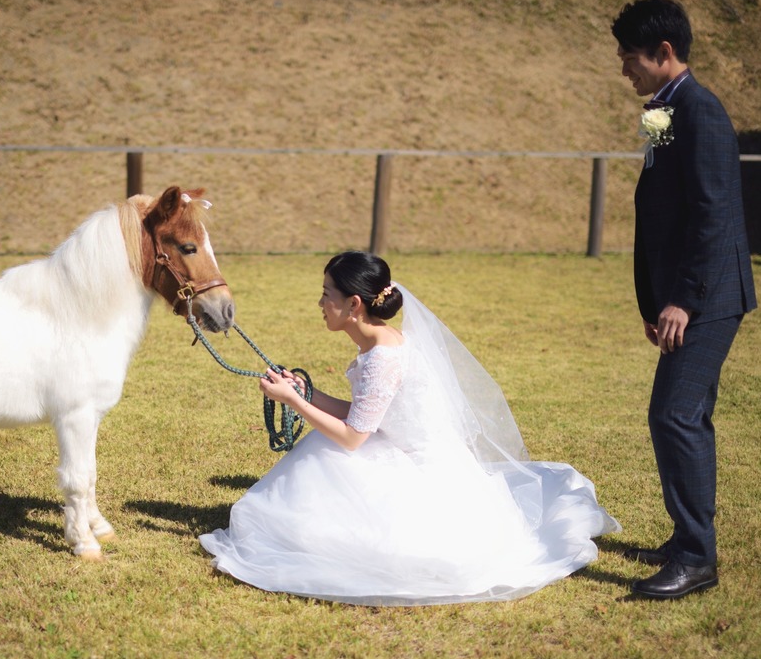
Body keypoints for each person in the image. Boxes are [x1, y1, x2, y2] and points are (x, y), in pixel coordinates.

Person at [199, 251, 620, 606]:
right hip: (393, 443)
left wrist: (293, 401)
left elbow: (352, 436)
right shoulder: (381, 341)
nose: (320, 303)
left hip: (416, 468)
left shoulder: (382, 357)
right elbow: (365, 413)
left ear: (353, 306)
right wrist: (306, 391)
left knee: (323, 461)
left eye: (327, 295)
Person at [611, 0, 757, 599]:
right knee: (683, 414)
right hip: (681, 294)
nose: (624, 69)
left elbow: (712, 215)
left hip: (710, 295)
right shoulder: (662, 110)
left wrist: (684, 301)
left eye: (629, 58)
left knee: (674, 415)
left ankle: (697, 558)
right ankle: (685, 541)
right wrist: (655, 301)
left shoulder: (702, 111)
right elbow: (655, 204)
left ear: (663, 53)